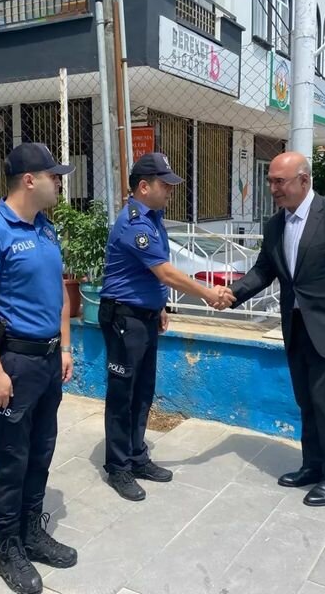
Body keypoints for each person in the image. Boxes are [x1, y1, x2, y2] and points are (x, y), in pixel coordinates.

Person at [227, 151, 325, 507]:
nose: (272, 188)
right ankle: (313, 466)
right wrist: (231, 294)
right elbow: (264, 270)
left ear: (304, 180)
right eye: (270, 181)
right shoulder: (275, 225)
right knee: (307, 401)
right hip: (296, 328)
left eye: (279, 181)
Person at [0, 143, 78, 594]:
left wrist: (65, 346)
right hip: (14, 361)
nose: (59, 183)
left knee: (41, 449)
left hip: (48, 359)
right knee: (11, 457)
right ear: (29, 180)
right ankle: (7, 545)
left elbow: (58, 291)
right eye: (54, 176)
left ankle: (31, 531)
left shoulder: (46, 228)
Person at [99, 152, 235, 502]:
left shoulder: (154, 218)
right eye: (165, 185)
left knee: (143, 391)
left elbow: (147, 274)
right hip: (124, 319)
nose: (171, 191)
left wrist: (158, 306)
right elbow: (165, 272)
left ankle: (137, 456)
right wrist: (208, 293)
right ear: (144, 187)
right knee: (123, 394)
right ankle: (118, 467)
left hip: (143, 316)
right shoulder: (135, 224)